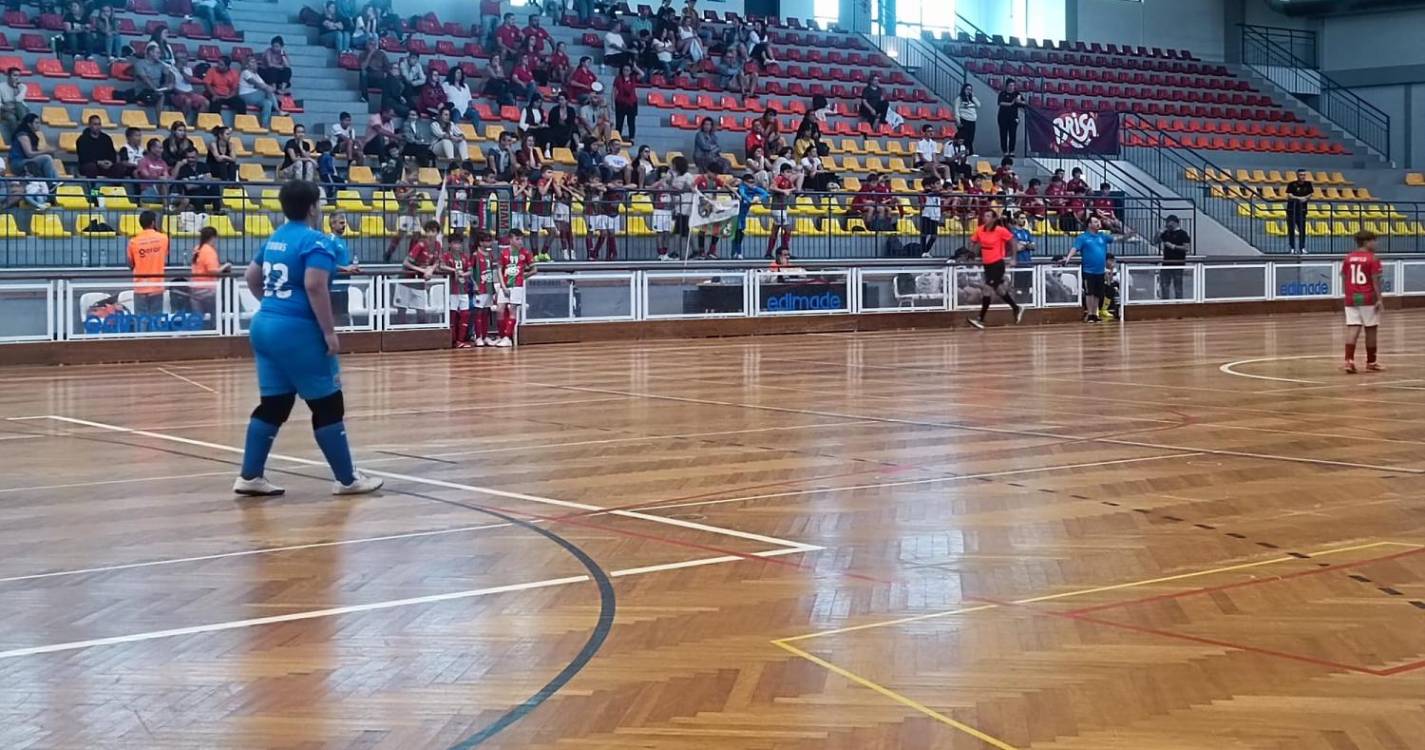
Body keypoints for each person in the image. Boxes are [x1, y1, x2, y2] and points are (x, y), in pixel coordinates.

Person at [234, 180, 383, 497]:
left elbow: (251, 276)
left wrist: (273, 306)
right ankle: (347, 480)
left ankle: (250, 476)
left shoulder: (275, 238)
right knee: (328, 403)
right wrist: (329, 331)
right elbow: (315, 285)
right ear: (314, 207)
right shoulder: (316, 242)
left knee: (275, 403)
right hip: (297, 330)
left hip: (265, 325)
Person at [966, 209, 1023, 329]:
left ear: (993, 219)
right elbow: (973, 242)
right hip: (987, 265)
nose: (984, 218)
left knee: (987, 289)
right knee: (999, 290)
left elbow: (1012, 241)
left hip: (997, 264)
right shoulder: (980, 229)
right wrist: (971, 252)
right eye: (984, 215)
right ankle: (1016, 307)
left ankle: (980, 319)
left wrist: (1013, 258)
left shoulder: (1000, 231)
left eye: (988, 216)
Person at [1342, 229, 1385, 374]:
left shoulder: (1348, 258)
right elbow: (1375, 280)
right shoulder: (1373, 259)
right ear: (1367, 242)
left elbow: (1344, 276)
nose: (1376, 243)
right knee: (1371, 329)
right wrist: (1379, 299)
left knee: (1353, 327)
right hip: (1368, 298)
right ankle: (1371, 362)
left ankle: (1349, 361)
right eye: (1374, 240)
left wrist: (1348, 293)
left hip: (1351, 297)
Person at [1062, 214, 1114, 324]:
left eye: (1099, 222)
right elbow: (1075, 248)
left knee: (1097, 294)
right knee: (1089, 293)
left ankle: (1095, 314)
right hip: (1088, 270)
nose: (1098, 224)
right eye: (1095, 222)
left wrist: (1109, 221)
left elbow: (1114, 237)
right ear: (1089, 224)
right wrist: (1068, 258)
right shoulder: (1083, 237)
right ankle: (1090, 314)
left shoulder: (1102, 236)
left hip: (1100, 270)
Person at [126, 210, 170, 316]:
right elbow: (165, 255)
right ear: (153, 223)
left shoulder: (133, 242)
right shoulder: (164, 238)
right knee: (156, 320)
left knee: (141, 321)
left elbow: (130, 264)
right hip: (157, 286)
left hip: (140, 287)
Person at [189, 226, 231, 321]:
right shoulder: (209, 251)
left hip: (195, 288)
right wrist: (225, 266)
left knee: (198, 318)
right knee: (215, 316)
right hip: (208, 289)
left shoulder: (197, 248)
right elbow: (212, 270)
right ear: (213, 237)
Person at [327, 211, 357, 327]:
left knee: (343, 315)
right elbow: (327, 263)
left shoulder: (342, 241)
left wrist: (351, 268)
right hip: (334, 287)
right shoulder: (330, 240)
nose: (344, 225)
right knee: (335, 316)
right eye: (341, 223)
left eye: (344, 223)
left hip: (344, 286)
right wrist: (345, 268)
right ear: (333, 224)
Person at [10, 113, 57, 180]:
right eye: (36, 123)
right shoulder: (22, 135)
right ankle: (52, 183)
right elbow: (29, 154)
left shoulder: (33, 135)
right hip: (18, 163)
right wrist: (46, 151)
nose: (38, 125)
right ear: (29, 124)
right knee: (46, 158)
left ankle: (57, 182)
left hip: (28, 161)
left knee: (49, 160)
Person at [1155, 214, 1191, 300]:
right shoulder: (1166, 233)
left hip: (1178, 263)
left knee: (1178, 284)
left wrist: (1173, 246)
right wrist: (1158, 233)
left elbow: (1186, 248)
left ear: (1175, 223)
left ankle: (1179, 302)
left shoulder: (1183, 234)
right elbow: (1155, 241)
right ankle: (1165, 301)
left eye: (1170, 224)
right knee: (1164, 284)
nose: (1168, 226)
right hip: (1166, 262)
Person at [239, 55, 280, 128]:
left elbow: (264, 84)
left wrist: (270, 88)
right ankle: (278, 110)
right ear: (247, 64)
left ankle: (264, 125)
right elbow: (255, 83)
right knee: (267, 91)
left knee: (268, 103)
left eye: (255, 62)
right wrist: (269, 88)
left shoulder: (256, 75)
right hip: (245, 95)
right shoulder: (245, 72)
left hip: (254, 96)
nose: (255, 63)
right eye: (252, 62)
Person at [77, 114, 122, 180]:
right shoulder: (82, 140)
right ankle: (93, 189)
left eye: (99, 124)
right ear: (89, 125)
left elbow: (112, 154)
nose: (98, 127)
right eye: (95, 124)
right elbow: (83, 158)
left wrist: (110, 162)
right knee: (91, 167)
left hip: (105, 166)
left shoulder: (106, 138)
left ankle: (115, 188)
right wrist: (98, 162)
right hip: (89, 166)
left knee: (119, 167)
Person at [1285, 168, 1313, 254]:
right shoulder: (1292, 184)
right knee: (1291, 230)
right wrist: (1299, 198)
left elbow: (1310, 194)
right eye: (1301, 175)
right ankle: (1292, 247)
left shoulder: (1308, 184)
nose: (1303, 177)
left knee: (1302, 230)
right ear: (1297, 175)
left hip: (1302, 211)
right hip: (1292, 210)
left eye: (1304, 175)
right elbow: (1289, 195)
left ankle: (1302, 247)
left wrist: (1305, 198)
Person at [996, 79, 1025, 155]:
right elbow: (1001, 103)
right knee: (1003, 134)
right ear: (1007, 86)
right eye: (1010, 85)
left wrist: (1019, 101)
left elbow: (1024, 103)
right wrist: (1012, 102)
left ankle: (1012, 151)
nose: (1012, 87)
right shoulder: (1002, 93)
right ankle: (1005, 151)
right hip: (1003, 117)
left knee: (1013, 134)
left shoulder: (1017, 94)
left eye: (1013, 85)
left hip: (1013, 117)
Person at [917, 175, 943, 258]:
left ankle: (926, 251)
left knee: (934, 236)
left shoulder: (938, 193)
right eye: (937, 183)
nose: (939, 185)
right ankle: (923, 251)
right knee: (924, 234)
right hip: (927, 215)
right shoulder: (927, 192)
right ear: (932, 185)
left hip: (935, 216)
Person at [1011, 210, 1035, 297]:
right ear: (1016, 219)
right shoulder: (1012, 232)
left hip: (1028, 263)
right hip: (1018, 264)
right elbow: (1016, 248)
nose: (1024, 220)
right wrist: (1027, 245)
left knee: (1027, 288)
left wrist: (1023, 245)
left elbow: (1033, 247)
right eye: (1021, 218)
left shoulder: (1027, 232)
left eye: (1024, 218)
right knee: (1017, 288)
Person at [613, 64, 639, 141]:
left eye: (628, 70)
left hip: (632, 103)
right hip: (620, 103)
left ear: (631, 71)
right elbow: (614, 91)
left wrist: (635, 67)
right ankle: (617, 137)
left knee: (631, 122)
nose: (625, 71)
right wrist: (613, 102)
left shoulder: (633, 78)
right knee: (619, 122)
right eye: (624, 70)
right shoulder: (618, 79)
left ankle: (631, 138)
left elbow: (642, 74)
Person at [0, 67, 28, 139]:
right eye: (14, 75)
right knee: (12, 118)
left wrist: (16, 88)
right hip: (5, 109)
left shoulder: (23, 87)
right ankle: (17, 138)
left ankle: (25, 134)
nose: (17, 78)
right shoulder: (1, 87)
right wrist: (6, 108)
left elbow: (18, 100)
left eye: (18, 76)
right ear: (8, 76)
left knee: (20, 107)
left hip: (18, 107)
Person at [954, 83, 979, 155]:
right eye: (967, 89)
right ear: (963, 89)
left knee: (971, 137)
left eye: (970, 90)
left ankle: (969, 152)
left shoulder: (971, 99)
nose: (969, 91)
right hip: (964, 120)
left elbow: (978, 105)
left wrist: (973, 97)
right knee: (965, 138)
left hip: (972, 120)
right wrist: (958, 121)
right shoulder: (959, 99)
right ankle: (967, 152)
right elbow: (956, 110)